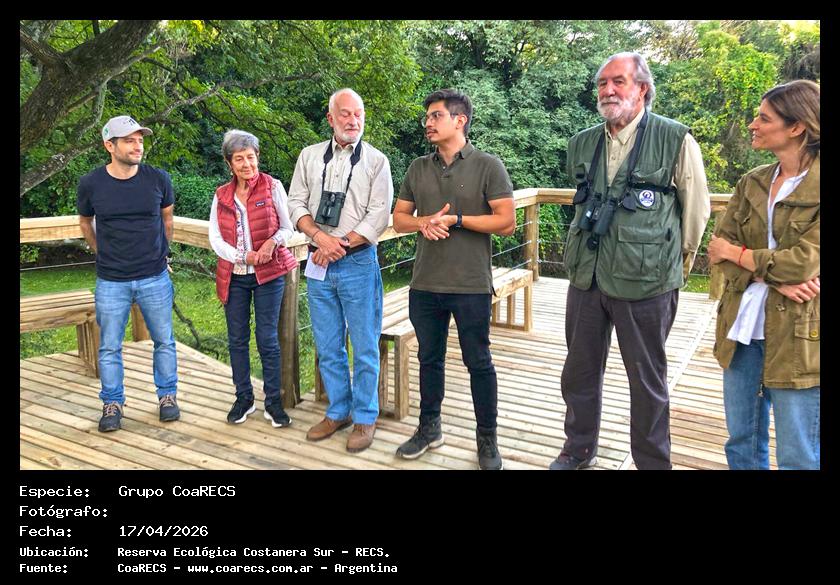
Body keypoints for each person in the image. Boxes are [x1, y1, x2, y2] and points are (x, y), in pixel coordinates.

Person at [551, 52, 710, 470]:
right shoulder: (582, 142)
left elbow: (696, 210)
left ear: (642, 88)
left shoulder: (675, 138)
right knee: (578, 372)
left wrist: (677, 266)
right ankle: (578, 449)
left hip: (647, 281)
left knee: (647, 380)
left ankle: (653, 463)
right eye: (602, 83)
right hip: (587, 277)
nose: (607, 90)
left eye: (618, 81)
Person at [393, 89, 515, 470]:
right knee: (429, 359)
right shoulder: (417, 168)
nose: (428, 123)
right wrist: (423, 222)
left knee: (479, 362)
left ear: (459, 120)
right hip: (425, 284)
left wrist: (457, 220)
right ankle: (429, 429)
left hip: (470, 286)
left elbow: (507, 222)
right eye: (427, 117)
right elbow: (399, 220)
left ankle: (487, 439)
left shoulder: (488, 165)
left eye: (436, 116)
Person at [708, 80, 820, 470]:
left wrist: (740, 256)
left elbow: (803, 263)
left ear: (797, 127)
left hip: (801, 335)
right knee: (741, 441)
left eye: (764, 118)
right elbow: (717, 251)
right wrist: (774, 278)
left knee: (798, 453)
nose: (753, 124)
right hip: (742, 327)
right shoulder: (752, 181)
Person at [287, 88, 394, 453]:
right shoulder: (309, 156)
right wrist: (320, 238)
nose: (353, 120)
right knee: (328, 344)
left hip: (358, 263)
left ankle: (365, 417)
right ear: (331, 118)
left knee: (364, 345)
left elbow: (379, 214)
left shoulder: (376, 161)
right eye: (345, 114)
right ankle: (338, 411)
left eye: (358, 114)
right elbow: (295, 204)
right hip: (318, 262)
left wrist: (339, 245)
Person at [78, 115, 179, 432]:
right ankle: (112, 403)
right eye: (129, 141)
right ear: (110, 146)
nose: (138, 146)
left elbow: (167, 220)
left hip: (154, 277)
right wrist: (102, 252)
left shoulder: (158, 179)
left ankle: (167, 397)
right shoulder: (91, 183)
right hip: (111, 280)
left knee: (164, 341)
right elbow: (85, 223)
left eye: (140, 140)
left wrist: (162, 253)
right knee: (109, 346)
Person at [209, 130, 299, 428]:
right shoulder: (221, 195)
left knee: (267, 339)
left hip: (268, 275)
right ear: (229, 163)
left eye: (251, 157)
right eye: (239, 159)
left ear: (257, 156)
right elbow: (215, 239)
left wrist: (272, 242)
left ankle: (273, 402)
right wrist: (242, 256)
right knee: (237, 340)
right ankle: (243, 398)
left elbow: (288, 227)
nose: (247, 164)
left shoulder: (273, 186)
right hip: (234, 276)